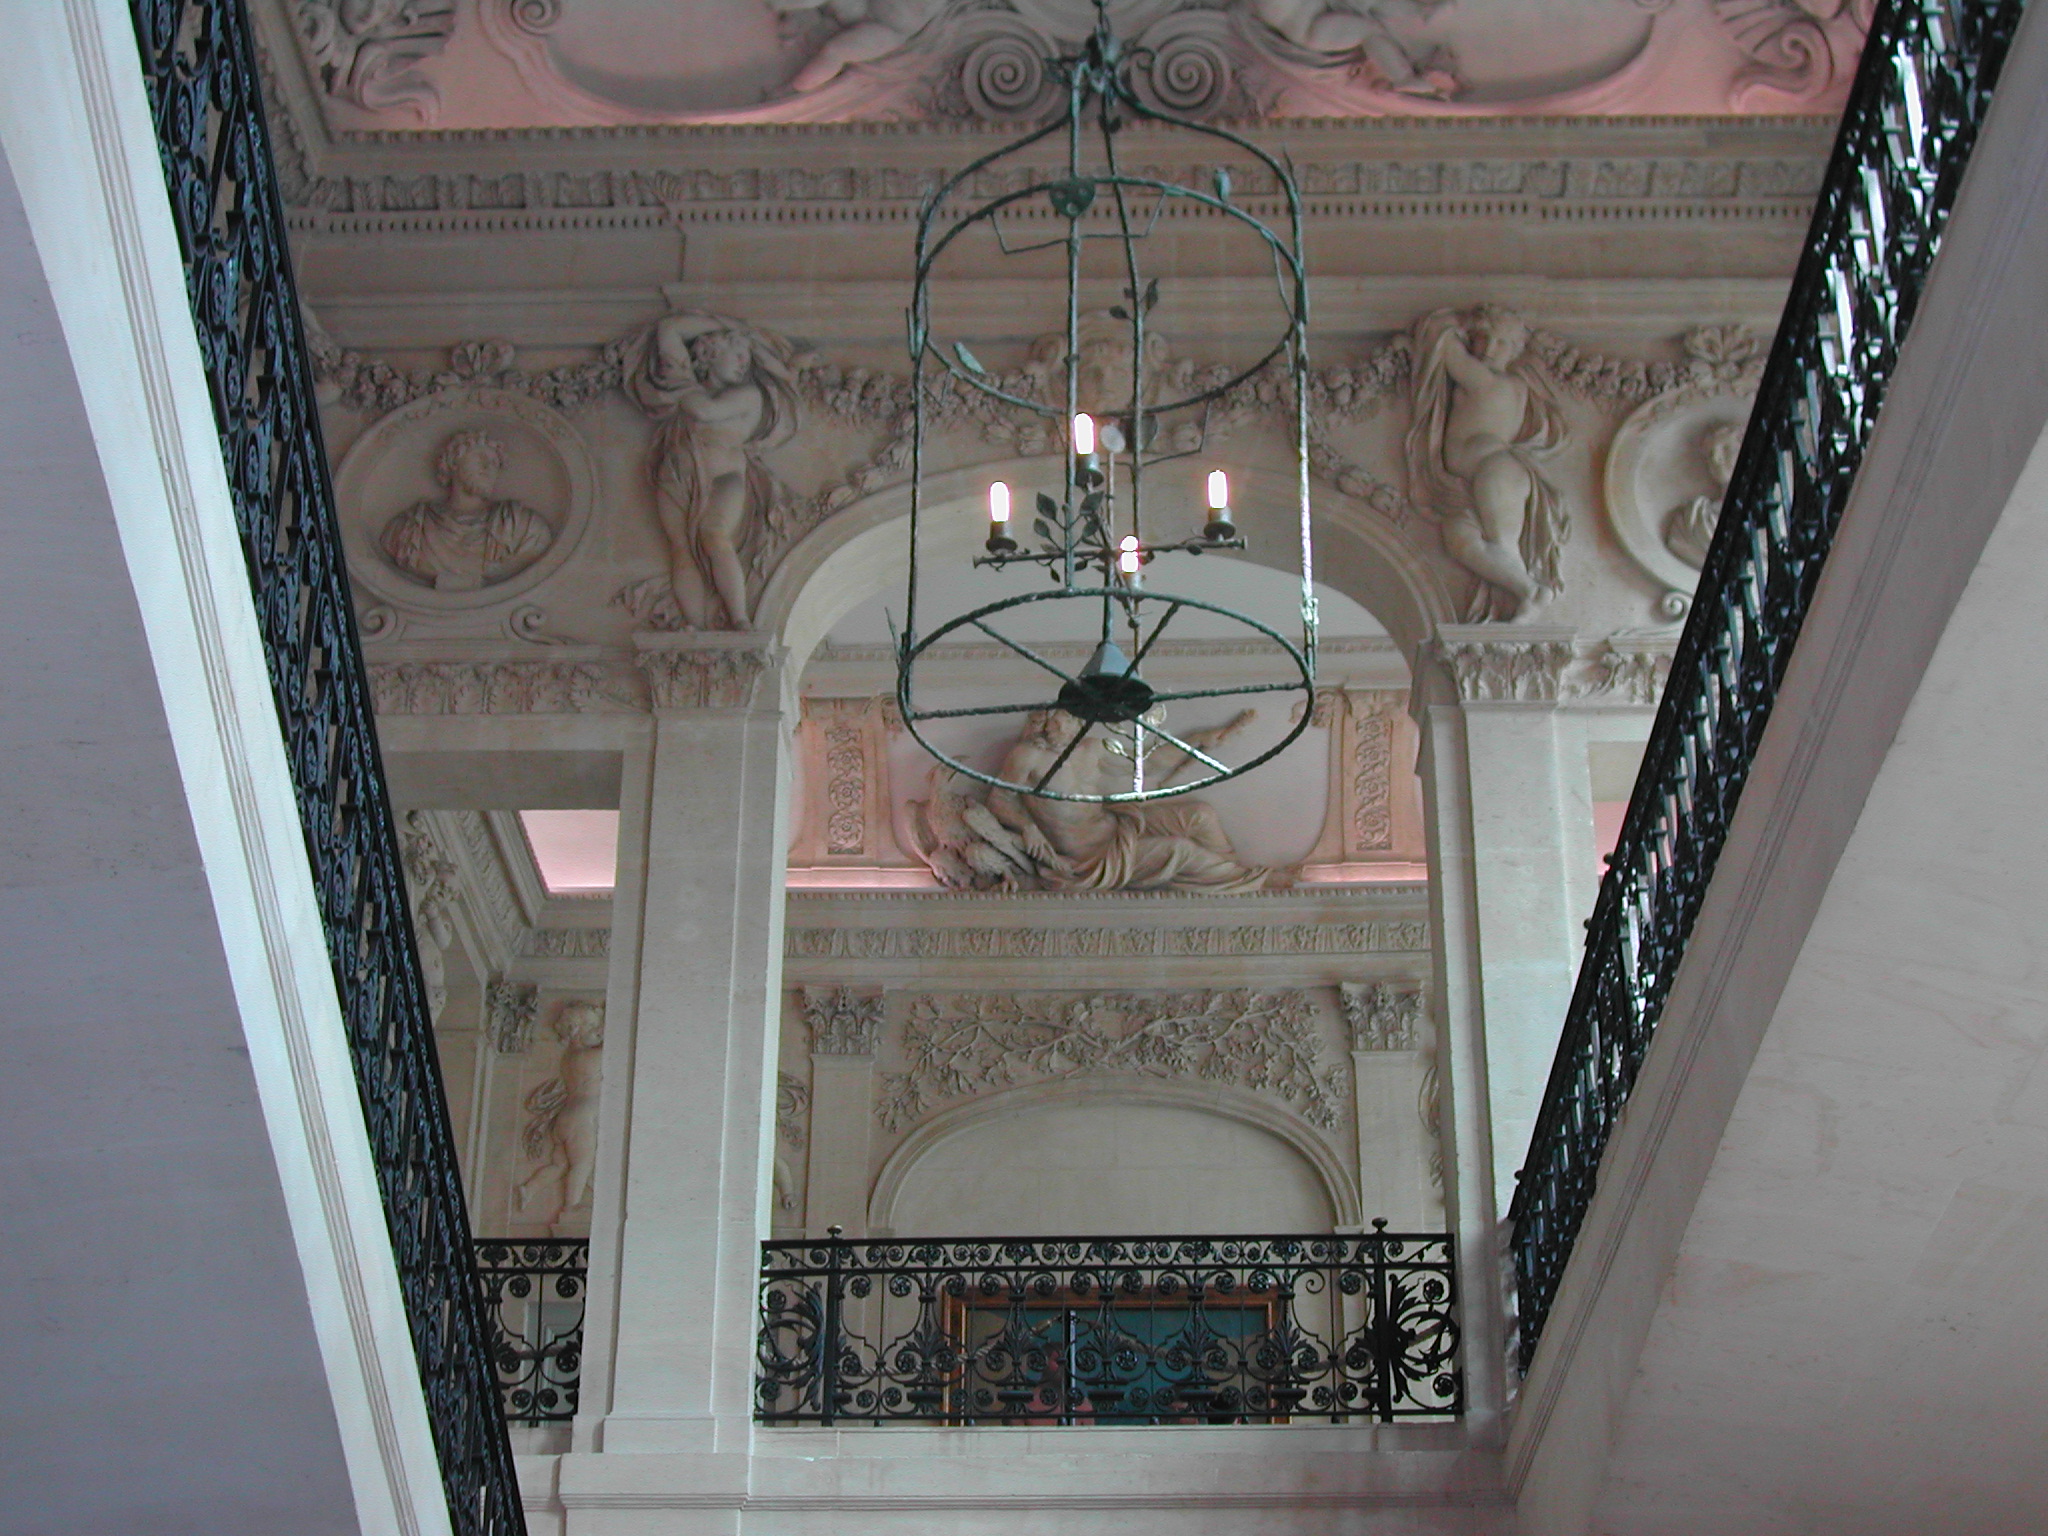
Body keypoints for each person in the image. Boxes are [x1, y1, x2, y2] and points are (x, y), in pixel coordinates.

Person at [623, 311, 800, 630]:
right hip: (677, 473)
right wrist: (729, 325)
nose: (744, 363)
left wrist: (680, 390)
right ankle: (696, 627)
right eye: (737, 354)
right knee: (681, 548)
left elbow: (705, 411)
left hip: (725, 476)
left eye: (747, 356)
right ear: (709, 355)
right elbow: (669, 329)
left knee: (714, 535)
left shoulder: (747, 394)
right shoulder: (685, 383)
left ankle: (739, 618)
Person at [1405, 304, 1569, 621]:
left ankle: (1531, 597)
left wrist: (1456, 325)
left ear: (1517, 348)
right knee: (1460, 539)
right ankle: (1528, 590)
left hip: (1496, 470)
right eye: (1483, 339)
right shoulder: (1514, 385)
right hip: (1471, 480)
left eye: (1502, 342)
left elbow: (1442, 342)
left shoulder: (1486, 380)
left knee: (1502, 546)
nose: (1490, 350)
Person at [378, 430, 554, 592]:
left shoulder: (523, 526)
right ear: (453, 463)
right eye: (479, 458)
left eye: (495, 463)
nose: (488, 468)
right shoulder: (407, 529)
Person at [517, 1001, 606, 1231]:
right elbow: (618, 1048)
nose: (598, 1032)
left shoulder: (569, 1057)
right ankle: (571, 1208)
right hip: (582, 1118)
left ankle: (530, 1188)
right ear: (576, 1031)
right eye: (592, 1027)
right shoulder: (589, 1057)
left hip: (566, 1118)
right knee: (582, 1165)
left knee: (560, 1165)